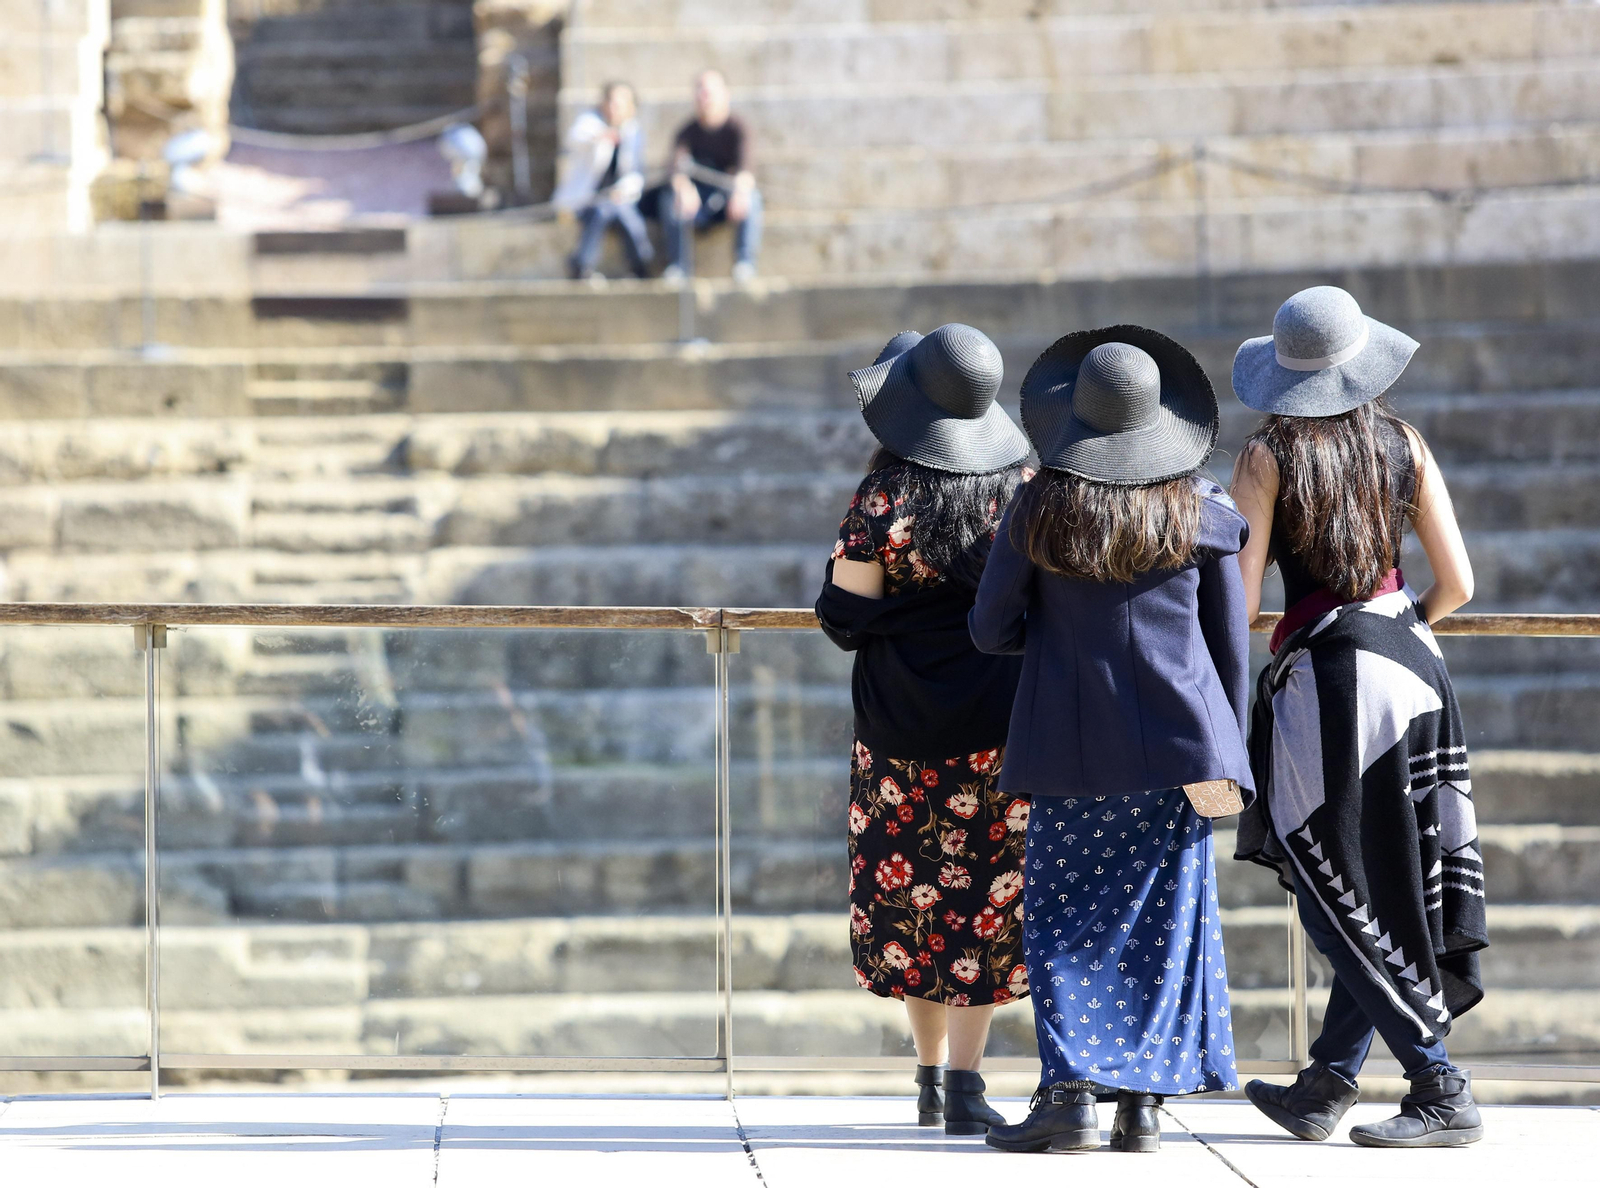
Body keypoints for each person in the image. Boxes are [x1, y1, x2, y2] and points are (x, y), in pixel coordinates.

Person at [970, 326, 1250, 1154]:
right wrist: (1224, 755)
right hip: (1179, 749)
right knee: (1165, 921)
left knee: (1062, 921)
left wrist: (1056, 643)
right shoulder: (1203, 509)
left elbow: (989, 629)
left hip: (1070, 743)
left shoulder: (1041, 504)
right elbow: (1229, 646)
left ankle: (1068, 1099)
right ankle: (1143, 1110)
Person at [1229, 285, 1487, 1149]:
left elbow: (1240, 596)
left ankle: (1439, 1084)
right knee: (1381, 880)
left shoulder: (1267, 458)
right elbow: (1457, 586)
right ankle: (1326, 1085)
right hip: (1416, 675)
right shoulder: (1404, 444)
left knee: (1326, 885)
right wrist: (1392, 630)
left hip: (1332, 689)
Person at [816, 324, 1032, 1135]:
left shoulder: (884, 497)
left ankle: (931, 1077)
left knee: (912, 897)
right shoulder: (1021, 486)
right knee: (985, 897)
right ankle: (971, 1084)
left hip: (901, 728)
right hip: (1000, 723)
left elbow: (843, 614)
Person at [659, 70, 762, 281]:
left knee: (752, 199)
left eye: (709, 92)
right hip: (696, 202)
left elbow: (747, 169)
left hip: (726, 198)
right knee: (670, 200)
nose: (704, 97)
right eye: (700, 92)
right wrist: (683, 188)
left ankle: (744, 263)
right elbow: (675, 168)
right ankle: (678, 266)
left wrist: (740, 192)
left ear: (726, 94)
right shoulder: (687, 131)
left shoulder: (738, 128)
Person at [552, 81, 651, 281]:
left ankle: (640, 266)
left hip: (618, 200)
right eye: (612, 101)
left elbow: (635, 174)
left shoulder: (633, 133)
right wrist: (600, 136)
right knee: (601, 211)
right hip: (585, 199)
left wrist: (622, 192)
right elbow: (576, 137)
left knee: (626, 216)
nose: (615, 107)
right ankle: (581, 266)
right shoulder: (589, 123)